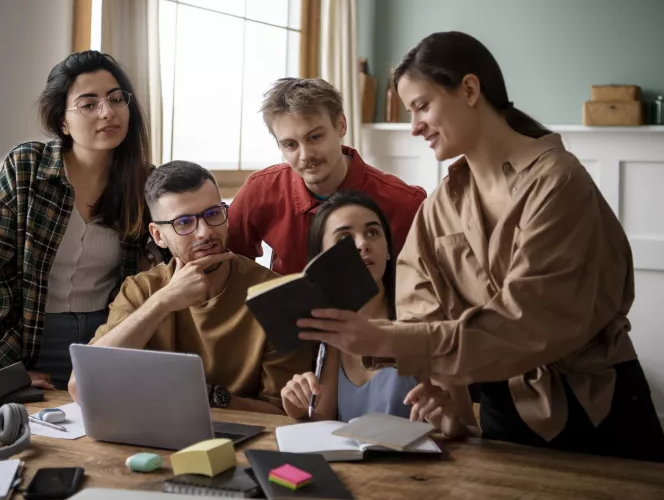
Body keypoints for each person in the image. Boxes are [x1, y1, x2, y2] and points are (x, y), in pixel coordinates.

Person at [297, 31, 664, 462]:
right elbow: (420, 304)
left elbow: (527, 320)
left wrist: (384, 337)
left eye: (422, 105)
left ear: (469, 89)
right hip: (501, 416)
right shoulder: (441, 206)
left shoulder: (558, 182)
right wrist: (446, 401)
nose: (414, 126)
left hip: (594, 408)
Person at [0, 51, 151, 390]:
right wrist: (8, 369)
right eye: (88, 104)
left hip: (108, 340)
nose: (108, 112)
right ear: (62, 121)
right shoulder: (25, 168)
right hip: (30, 342)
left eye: (116, 98)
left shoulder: (144, 182)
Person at [68, 161, 313, 414]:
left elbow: (284, 412)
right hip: (153, 433)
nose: (205, 232)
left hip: (244, 437)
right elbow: (81, 387)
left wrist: (207, 396)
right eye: (184, 222)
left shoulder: (276, 295)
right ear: (158, 235)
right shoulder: (141, 291)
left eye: (213, 214)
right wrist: (163, 302)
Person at [280, 191, 477, 427]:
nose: (363, 244)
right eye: (344, 239)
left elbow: (467, 427)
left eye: (372, 232)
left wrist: (450, 421)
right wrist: (297, 408)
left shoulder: (424, 317)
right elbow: (323, 423)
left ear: (389, 249)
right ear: (322, 260)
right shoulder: (332, 331)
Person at [228, 78, 427, 276]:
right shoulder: (260, 189)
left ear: (341, 125)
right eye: (290, 145)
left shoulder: (405, 204)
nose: (305, 155)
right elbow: (227, 264)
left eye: (315, 137)